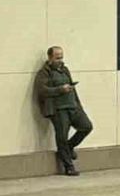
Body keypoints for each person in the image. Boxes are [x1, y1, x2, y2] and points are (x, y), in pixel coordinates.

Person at [35, 46, 93, 176]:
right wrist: (60, 89)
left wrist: (79, 105)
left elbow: (73, 88)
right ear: (50, 58)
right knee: (62, 136)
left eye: (61, 57)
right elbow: (42, 91)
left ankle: (69, 147)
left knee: (86, 126)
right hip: (58, 109)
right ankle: (68, 166)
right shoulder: (44, 73)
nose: (60, 60)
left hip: (72, 106)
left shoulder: (65, 70)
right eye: (57, 58)